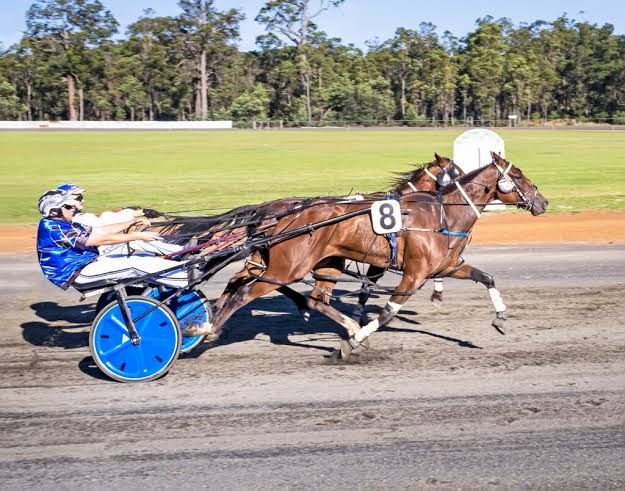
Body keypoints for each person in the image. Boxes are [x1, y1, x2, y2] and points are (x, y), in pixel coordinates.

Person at [36, 188, 189, 291]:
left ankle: (184, 252)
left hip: (89, 261)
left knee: (134, 245)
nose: (74, 209)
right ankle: (185, 280)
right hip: (77, 273)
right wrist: (137, 234)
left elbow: (100, 230)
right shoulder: (52, 227)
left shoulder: (64, 223)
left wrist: (132, 222)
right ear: (54, 211)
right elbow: (97, 240)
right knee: (135, 263)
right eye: (68, 207)